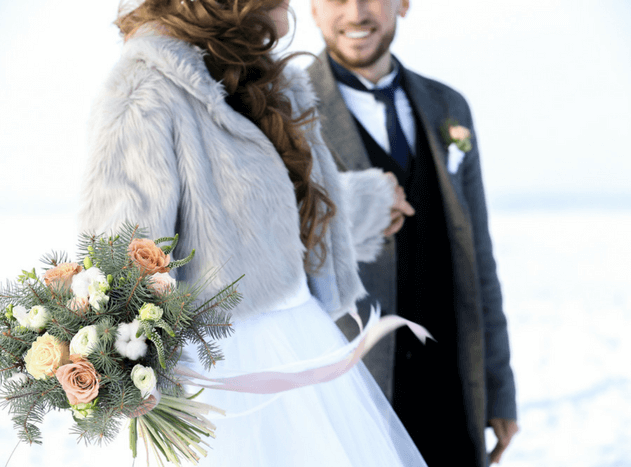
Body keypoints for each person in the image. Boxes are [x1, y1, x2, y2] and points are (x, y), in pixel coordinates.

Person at [78, 0, 426, 465]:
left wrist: (372, 201)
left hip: (304, 350)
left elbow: (273, 220)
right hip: (218, 384)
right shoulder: (147, 90)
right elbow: (118, 266)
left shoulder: (268, 80)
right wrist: (138, 383)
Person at [307, 0, 519, 465]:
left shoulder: (448, 106)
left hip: (450, 391)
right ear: (313, 9)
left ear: (403, 4)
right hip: (352, 394)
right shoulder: (285, 108)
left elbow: (478, 253)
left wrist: (498, 388)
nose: (357, 13)